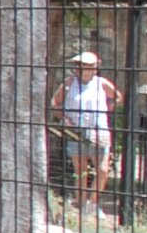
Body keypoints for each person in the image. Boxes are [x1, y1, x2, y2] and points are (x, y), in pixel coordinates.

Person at [50, 49, 122, 214]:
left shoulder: (102, 83)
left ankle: (93, 203)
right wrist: (65, 118)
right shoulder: (69, 83)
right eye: (79, 65)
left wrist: (107, 109)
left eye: (86, 65)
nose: (82, 68)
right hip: (76, 130)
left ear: (94, 67)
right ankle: (82, 205)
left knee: (103, 169)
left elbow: (117, 97)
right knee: (80, 170)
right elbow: (55, 102)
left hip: (99, 130)